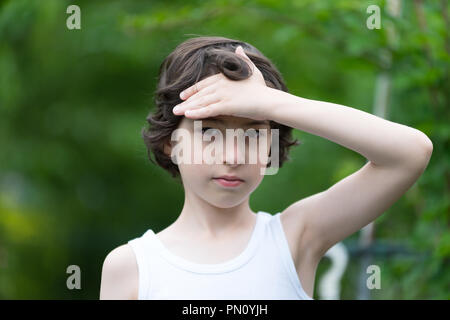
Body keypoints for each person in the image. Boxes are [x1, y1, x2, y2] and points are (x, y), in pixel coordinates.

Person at [99, 36, 433, 300]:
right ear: (172, 143)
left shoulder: (296, 238)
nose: (233, 156)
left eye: (253, 134)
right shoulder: (131, 267)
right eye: (209, 133)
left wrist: (271, 103)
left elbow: (409, 153)